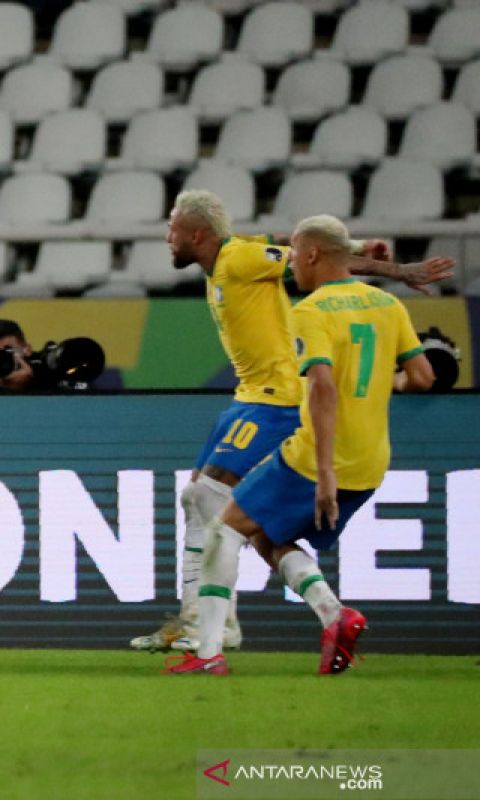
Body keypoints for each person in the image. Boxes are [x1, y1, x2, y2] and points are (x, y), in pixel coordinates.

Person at [131, 190, 453, 654]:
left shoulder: (240, 259)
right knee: (202, 500)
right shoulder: (233, 256)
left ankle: (210, 627)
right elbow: (294, 243)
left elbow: (314, 259)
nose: (167, 237)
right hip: (250, 395)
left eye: (172, 228)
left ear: (196, 234)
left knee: (210, 501)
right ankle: (211, 621)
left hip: (278, 397)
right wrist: (360, 244)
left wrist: (397, 272)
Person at [0, 319, 56, 392]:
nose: (2, 358)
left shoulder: (44, 369)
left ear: (27, 350)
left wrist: (32, 383)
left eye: (8, 351)